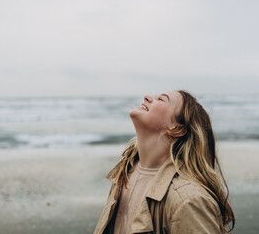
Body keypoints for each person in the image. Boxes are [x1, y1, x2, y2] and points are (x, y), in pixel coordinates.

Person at [94, 90, 235, 234]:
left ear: (177, 127)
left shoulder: (189, 199)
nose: (147, 97)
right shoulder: (125, 171)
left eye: (161, 99)